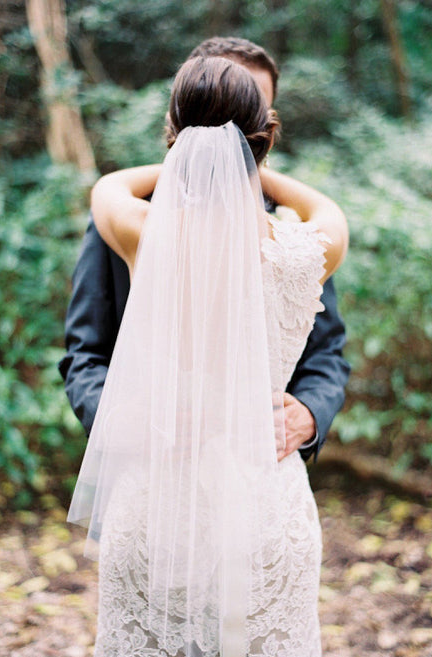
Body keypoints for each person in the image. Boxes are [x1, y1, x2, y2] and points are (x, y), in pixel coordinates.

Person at [68, 56, 348, 657]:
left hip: (155, 509)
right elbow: (324, 205)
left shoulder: (141, 231)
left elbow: (110, 185)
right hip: (265, 511)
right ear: (267, 138)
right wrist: (255, 166)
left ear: (174, 138)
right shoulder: (310, 248)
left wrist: (193, 145)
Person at [58, 36, 350, 464]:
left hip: (264, 466)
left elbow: (327, 352)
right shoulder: (306, 241)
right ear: (267, 131)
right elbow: (86, 352)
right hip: (149, 462)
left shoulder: (129, 223)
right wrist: (122, 423)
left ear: (175, 123)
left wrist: (309, 414)